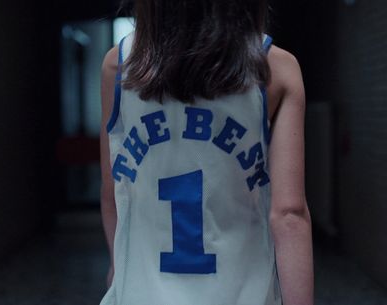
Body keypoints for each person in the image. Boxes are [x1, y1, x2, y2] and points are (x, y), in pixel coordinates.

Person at [99, 0, 314, 304]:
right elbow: (289, 214)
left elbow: (113, 194)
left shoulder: (118, 65)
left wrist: (117, 269)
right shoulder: (275, 69)